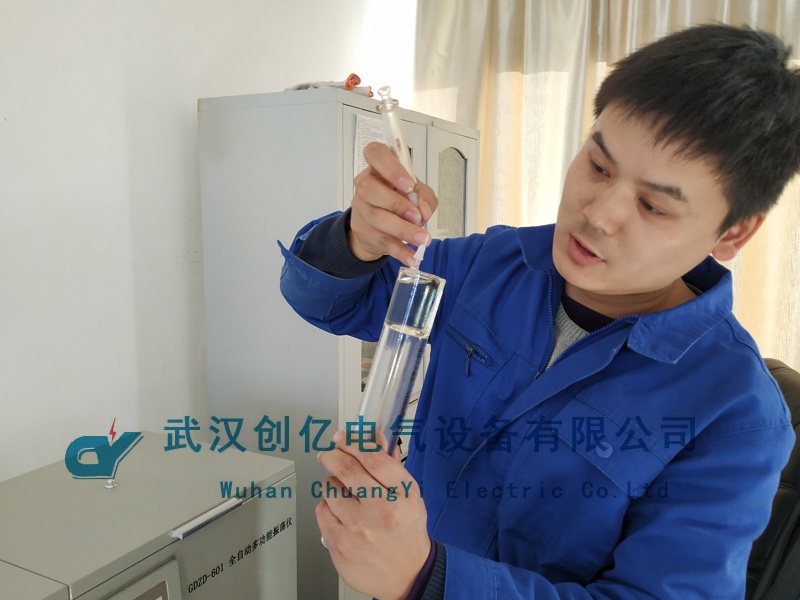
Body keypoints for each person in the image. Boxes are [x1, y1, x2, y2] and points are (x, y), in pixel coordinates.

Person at [279, 24, 800, 599]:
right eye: (598, 167)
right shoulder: (493, 263)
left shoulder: (736, 414)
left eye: (653, 206)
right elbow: (329, 303)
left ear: (734, 232)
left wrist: (427, 577)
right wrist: (357, 239)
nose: (598, 214)